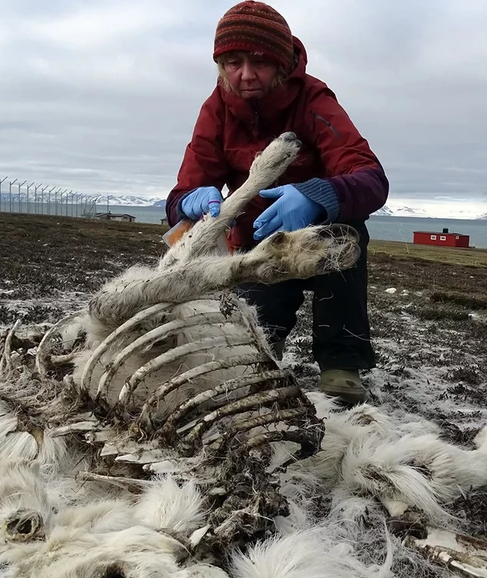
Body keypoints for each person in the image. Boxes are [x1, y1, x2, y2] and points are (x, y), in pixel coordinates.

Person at [165, 1, 388, 404]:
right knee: (254, 345)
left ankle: (341, 364)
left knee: (348, 234)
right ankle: (264, 352)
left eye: (260, 62)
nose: (245, 75)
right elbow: (183, 191)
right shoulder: (215, 110)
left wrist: (317, 196)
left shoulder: (314, 101)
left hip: (320, 233)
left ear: (282, 63)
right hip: (256, 241)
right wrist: (187, 203)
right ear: (220, 64)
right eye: (233, 62)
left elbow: (370, 179)